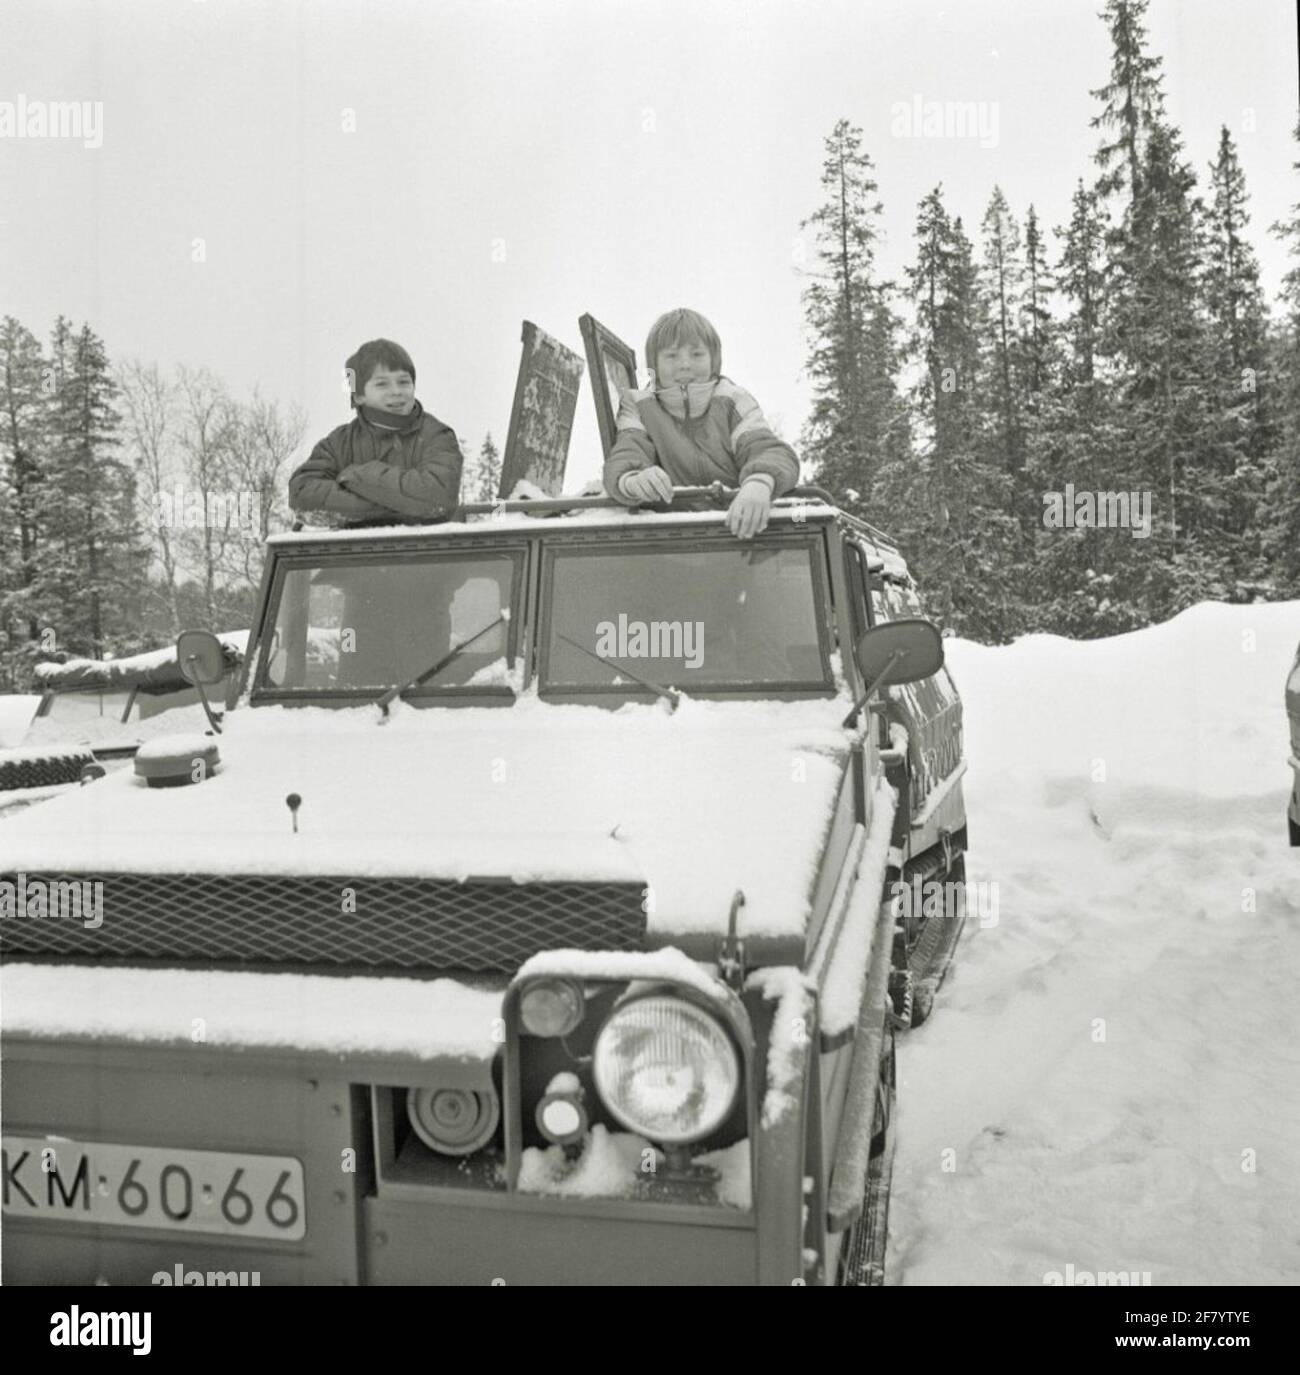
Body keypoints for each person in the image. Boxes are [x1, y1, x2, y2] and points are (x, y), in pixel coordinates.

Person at [602, 308, 800, 538]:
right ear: (653, 364)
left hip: (739, 533)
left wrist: (760, 483)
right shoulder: (639, 406)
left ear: (713, 360)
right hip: (669, 540)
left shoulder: (732, 401)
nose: (685, 364)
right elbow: (628, 450)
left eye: (696, 354)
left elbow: (766, 449)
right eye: (672, 355)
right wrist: (632, 479)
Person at [289, 338, 464, 523]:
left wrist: (355, 477)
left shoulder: (437, 436)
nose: (396, 391)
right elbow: (303, 492)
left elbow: (438, 496)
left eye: (404, 382)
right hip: (354, 550)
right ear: (358, 395)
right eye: (382, 384)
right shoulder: (339, 443)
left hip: (426, 548)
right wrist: (400, 505)